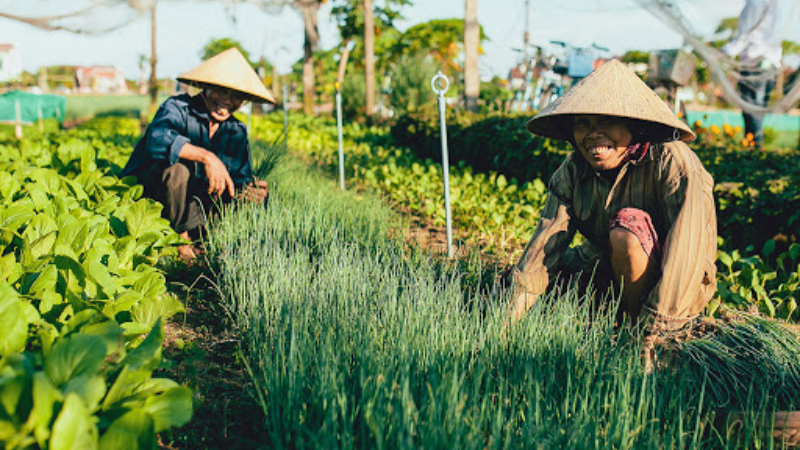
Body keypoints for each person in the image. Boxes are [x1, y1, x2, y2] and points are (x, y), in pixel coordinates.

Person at [504, 60, 718, 370]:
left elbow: (688, 257)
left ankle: (632, 336)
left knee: (627, 230)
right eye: (584, 123)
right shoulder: (574, 170)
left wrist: (653, 332)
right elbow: (544, 249)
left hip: (674, 289)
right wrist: (504, 327)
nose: (593, 134)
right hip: (606, 272)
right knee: (509, 286)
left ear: (634, 125)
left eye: (606, 122)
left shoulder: (672, 162)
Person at [122, 48, 275, 262]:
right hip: (151, 198)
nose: (227, 101)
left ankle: (202, 236)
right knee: (179, 168)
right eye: (221, 91)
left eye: (236, 96)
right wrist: (206, 156)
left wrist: (250, 192)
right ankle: (179, 240)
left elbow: (239, 178)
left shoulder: (235, 131)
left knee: (250, 193)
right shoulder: (177, 107)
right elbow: (157, 139)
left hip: (193, 205)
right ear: (205, 87)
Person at [722, 0, 782, 149]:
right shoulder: (773, 4)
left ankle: (754, 150)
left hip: (755, 61)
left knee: (752, 108)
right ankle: (754, 148)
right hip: (771, 62)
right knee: (757, 108)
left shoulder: (756, 2)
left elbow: (746, 33)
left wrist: (726, 51)